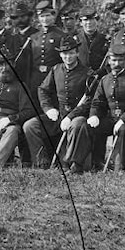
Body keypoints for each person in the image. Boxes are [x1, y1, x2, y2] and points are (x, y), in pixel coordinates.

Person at [72, 44, 125, 172]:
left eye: (120, 60)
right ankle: (80, 164)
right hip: (111, 119)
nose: (117, 63)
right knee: (87, 126)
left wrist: (123, 119)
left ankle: (124, 168)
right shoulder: (105, 80)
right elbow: (97, 102)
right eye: (114, 60)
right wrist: (94, 115)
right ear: (109, 61)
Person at [25, 35, 89, 168]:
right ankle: (42, 162)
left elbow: (89, 101)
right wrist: (48, 109)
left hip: (78, 117)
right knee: (30, 126)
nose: (68, 57)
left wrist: (71, 116)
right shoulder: (56, 70)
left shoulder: (87, 73)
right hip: (59, 115)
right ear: (60, 55)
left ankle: (71, 164)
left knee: (77, 124)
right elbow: (43, 90)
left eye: (71, 53)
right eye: (65, 54)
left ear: (77, 53)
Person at [74, 9, 109, 75]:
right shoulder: (75, 40)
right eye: (85, 20)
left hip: (100, 78)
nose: (89, 22)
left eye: (92, 19)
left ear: (97, 21)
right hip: (80, 77)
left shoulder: (106, 40)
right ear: (81, 23)